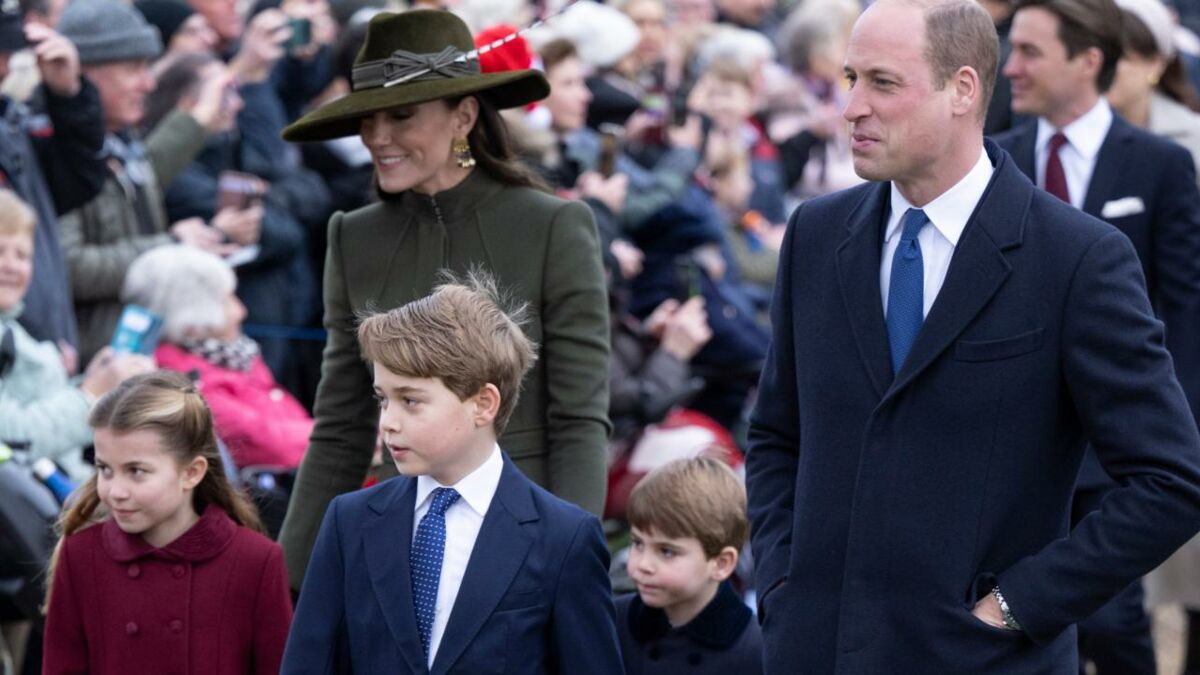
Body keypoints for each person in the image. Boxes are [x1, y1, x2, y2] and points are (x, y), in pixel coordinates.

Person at [745, 0, 1200, 672]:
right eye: (850, 79)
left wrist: (1016, 606)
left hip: (982, 658)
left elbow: (1171, 481)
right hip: (817, 648)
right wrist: (786, 580)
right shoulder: (816, 235)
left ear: (962, 89)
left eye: (883, 82)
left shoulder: (1075, 258)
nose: (851, 108)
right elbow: (778, 434)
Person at [276, 9, 611, 589]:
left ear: (464, 115)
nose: (378, 137)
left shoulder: (553, 226)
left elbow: (579, 417)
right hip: (400, 543)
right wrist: (286, 581)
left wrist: (569, 564)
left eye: (402, 115)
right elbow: (341, 426)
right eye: (368, 118)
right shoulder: (353, 236)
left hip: (522, 541)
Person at [994, 0, 1200, 670]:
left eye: (1029, 52)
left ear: (1087, 60)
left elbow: (1187, 304)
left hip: (1114, 439)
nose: (1011, 68)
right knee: (1012, 612)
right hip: (1015, 438)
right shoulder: (998, 160)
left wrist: (1173, 427)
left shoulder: (1161, 165)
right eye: (1011, 50)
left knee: (1112, 620)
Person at [282, 273, 622, 674]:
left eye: (410, 400)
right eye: (382, 399)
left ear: (483, 403)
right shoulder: (349, 521)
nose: (388, 422)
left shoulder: (564, 538)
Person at [41, 370, 293, 674]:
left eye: (136, 471)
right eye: (104, 469)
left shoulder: (255, 560)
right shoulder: (81, 554)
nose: (115, 491)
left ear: (192, 472)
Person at [56, 0, 237, 365]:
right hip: (98, 359)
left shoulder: (121, 142)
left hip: (136, 351)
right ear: (84, 73)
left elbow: (150, 169)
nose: (148, 82)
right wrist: (168, 246)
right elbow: (70, 265)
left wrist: (198, 119)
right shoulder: (58, 153)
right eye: (133, 68)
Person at [0, 189, 151, 482]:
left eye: (22, 255)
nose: (11, 265)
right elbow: (13, 437)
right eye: (0, 251)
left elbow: (35, 403)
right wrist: (90, 394)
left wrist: (96, 381)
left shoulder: (14, 329)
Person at [122, 245, 313, 470]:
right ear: (191, 313)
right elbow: (268, 445)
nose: (241, 310)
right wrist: (339, 434)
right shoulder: (185, 384)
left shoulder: (230, 355)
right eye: (227, 300)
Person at [0, 0, 105, 351]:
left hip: (42, 353)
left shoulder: (10, 124)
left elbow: (77, 185)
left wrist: (68, 97)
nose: (5, 66)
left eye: (9, 51)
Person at [617, 456, 763, 674]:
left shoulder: (756, 650)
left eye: (667, 551)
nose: (643, 564)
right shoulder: (612, 621)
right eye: (638, 543)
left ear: (721, 564)